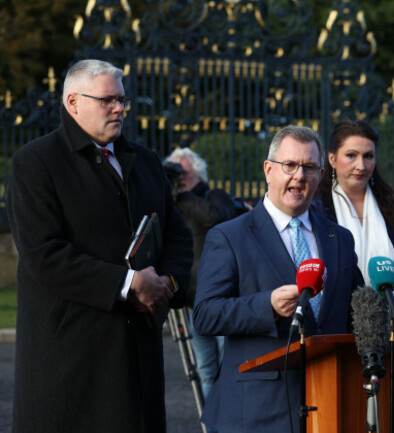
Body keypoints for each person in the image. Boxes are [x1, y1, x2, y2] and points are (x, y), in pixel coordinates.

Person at [7, 59, 193, 433]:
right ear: (73, 102)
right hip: (71, 360)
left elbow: (176, 234)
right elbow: (44, 254)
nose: (119, 109)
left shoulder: (145, 161)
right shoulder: (36, 162)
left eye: (123, 100)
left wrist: (166, 284)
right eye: (108, 100)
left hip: (137, 357)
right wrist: (127, 284)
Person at [193, 125, 364, 432]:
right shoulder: (229, 236)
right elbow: (205, 315)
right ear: (268, 170)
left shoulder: (339, 238)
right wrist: (267, 306)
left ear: (321, 175)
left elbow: (356, 308)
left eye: (309, 167)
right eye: (290, 165)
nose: (299, 175)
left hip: (330, 403)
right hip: (257, 410)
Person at [313, 119, 394, 329]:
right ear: (332, 159)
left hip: (390, 330)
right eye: (351, 155)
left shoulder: (393, 207)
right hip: (337, 333)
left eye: (368, 156)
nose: (361, 166)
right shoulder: (316, 209)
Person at [164, 147, 239, 410]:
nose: (178, 178)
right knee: (207, 370)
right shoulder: (170, 205)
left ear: (196, 173)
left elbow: (219, 218)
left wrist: (183, 195)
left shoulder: (213, 196)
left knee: (228, 366)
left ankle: (232, 422)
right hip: (194, 303)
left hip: (223, 298)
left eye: (182, 172)